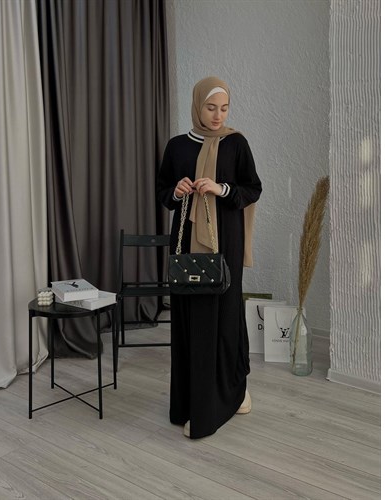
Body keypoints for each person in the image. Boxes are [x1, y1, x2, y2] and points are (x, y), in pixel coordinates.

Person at [157, 76, 262, 439]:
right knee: (190, 318)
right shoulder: (177, 147)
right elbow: (163, 193)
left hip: (225, 242)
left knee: (225, 317)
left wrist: (221, 188)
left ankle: (230, 393)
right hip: (186, 244)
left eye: (224, 108)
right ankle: (191, 401)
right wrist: (177, 191)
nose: (218, 116)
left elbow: (253, 188)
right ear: (197, 106)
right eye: (211, 108)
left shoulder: (236, 143)